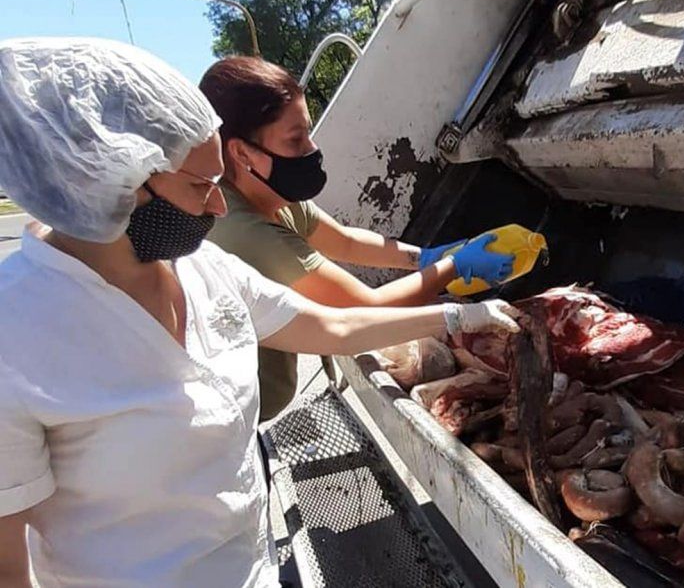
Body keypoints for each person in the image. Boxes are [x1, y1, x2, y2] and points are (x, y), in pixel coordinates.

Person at [0, 37, 519, 588]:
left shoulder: (202, 266)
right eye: (202, 186)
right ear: (109, 183)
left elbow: (334, 326)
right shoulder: (19, 335)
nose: (220, 206)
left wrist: (461, 316)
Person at [200, 56, 514, 420]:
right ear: (241, 152)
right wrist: (452, 269)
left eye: (308, 132)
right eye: (295, 140)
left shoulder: (272, 197)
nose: (312, 150)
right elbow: (364, 312)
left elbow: (346, 242)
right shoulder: (242, 232)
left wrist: (425, 257)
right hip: (228, 422)